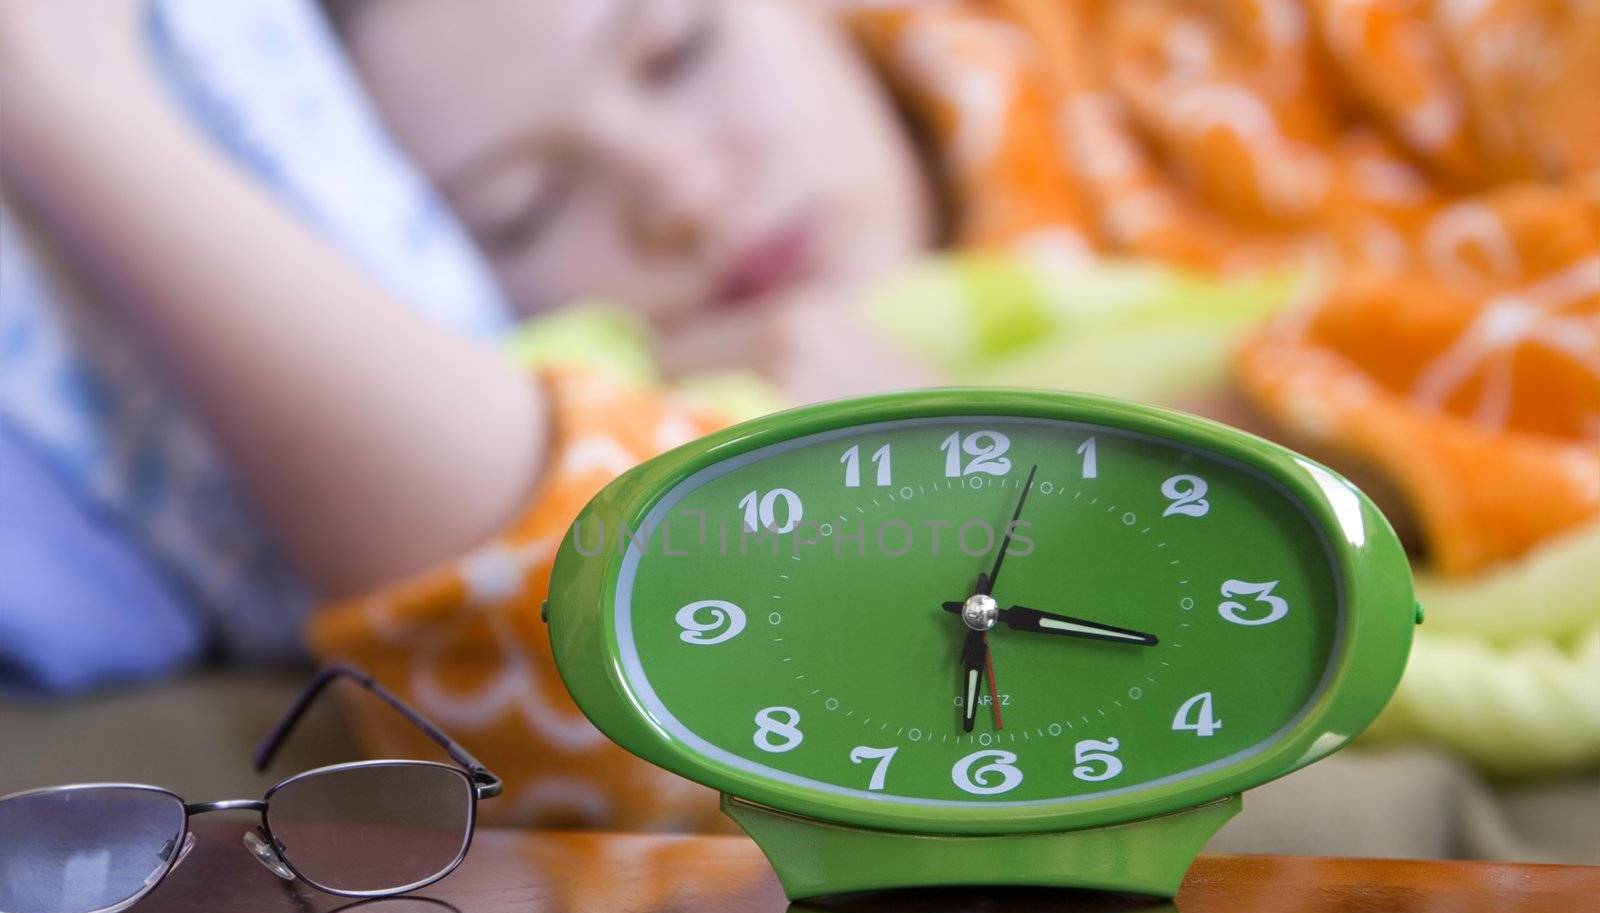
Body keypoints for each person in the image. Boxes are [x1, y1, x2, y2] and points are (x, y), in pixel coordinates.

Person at [3, 0, 1594, 830]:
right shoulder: (672, 393)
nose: (683, 196)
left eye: (680, 50)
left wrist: (1176, 426)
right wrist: (78, 110)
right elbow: (549, 617)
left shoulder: (1229, 52)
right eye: (527, 202)